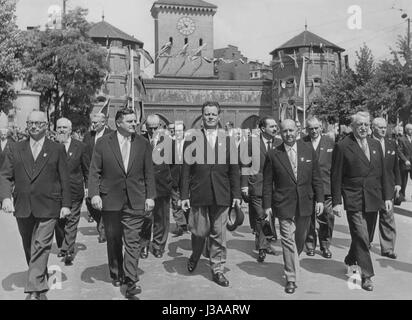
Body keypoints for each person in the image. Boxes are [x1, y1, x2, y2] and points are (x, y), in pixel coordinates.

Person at [0, 111, 71, 300]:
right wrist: (6, 198)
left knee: (41, 244)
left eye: (38, 123)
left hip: (49, 205)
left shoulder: (56, 149)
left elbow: (65, 178)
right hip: (23, 205)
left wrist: (66, 204)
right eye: (30, 123)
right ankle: (39, 277)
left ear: (46, 126)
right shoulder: (14, 148)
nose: (33, 126)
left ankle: (34, 290)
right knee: (29, 246)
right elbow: (5, 175)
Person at [88, 108, 156, 298]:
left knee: (133, 241)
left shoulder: (143, 144)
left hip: (136, 200)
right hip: (110, 200)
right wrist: (94, 194)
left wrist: (150, 196)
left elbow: (149, 172)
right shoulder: (103, 143)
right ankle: (117, 272)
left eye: (135, 121)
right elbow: (94, 171)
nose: (134, 124)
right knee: (114, 239)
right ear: (118, 123)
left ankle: (131, 281)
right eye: (130, 121)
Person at [181, 101, 241, 287]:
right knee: (199, 233)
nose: (210, 117)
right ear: (202, 116)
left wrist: (236, 195)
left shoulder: (229, 140)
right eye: (207, 114)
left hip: (222, 194)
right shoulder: (192, 140)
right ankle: (195, 255)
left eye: (213, 114)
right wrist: (184, 196)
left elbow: (234, 170)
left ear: (218, 116)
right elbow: (185, 171)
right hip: (199, 193)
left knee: (218, 234)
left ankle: (217, 269)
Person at [331, 111, 392, 292]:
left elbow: (384, 173)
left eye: (366, 124)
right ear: (353, 127)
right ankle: (366, 276)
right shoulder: (343, 146)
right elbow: (336, 176)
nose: (364, 128)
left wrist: (387, 196)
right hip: (353, 197)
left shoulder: (374, 144)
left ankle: (351, 258)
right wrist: (336, 202)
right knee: (361, 235)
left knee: (366, 237)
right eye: (360, 125)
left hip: (374, 197)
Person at [262, 119, 324, 294]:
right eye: (284, 131)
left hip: (305, 201)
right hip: (283, 203)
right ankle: (291, 277)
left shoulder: (308, 150)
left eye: (291, 130)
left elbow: (316, 177)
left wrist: (320, 200)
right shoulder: (273, 154)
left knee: (300, 239)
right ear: (279, 133)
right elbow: (267, 183)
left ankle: (293, 261)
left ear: (297, 130)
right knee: (287, 239)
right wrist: (267, 206)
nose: (288, 134)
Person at [241, 116, 282, 263]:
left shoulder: (280, 143)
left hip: (275, 187)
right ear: (262, 129)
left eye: (276, 126)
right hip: (257, 184)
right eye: (271, 126)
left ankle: (265, 243)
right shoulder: (252, 143)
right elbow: (245, 164)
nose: (275, 128)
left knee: (270, 216)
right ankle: (262, 248)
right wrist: (244, 185)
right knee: (261, 216)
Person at [54, 118, 90, 265]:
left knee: (72, 220)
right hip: (55, 191)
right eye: (59, 127)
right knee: (59, 221)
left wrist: (88, 187)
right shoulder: (50, 147)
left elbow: (86, 169)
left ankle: (68, 249)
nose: (61, 130)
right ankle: (63, 246)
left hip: (74, 190)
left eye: (64, 127)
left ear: (70, 130)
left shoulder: (80, 147)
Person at [140, 114, 173, 259]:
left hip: (162, 184)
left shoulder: (167, 141)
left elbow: (173, 164)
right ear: (145, 127)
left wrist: (170, 181)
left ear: (159, 126)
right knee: (145, 218)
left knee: (161, 217)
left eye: (155, 128)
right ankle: (144, 245)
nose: (152, 131)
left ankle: (158, 245)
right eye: (150, 128)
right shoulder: (139, 141)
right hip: (144, 186)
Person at [303, 117, 336, 259]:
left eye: (316, 128)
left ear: (321, 127)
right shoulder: (301, 143)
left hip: (326, 186)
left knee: (327, 218)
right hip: (307, 188)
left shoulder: (331, 143)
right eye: (311, 128)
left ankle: (325, 245)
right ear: (306, 129)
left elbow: (335, 167)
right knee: (309, 218)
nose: (314, 131)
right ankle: (310, 245)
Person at [369, 117, 400, 259]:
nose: (383, 129)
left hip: (388, 186)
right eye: (380, 127)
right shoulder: (366, 143)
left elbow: (395, 166)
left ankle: (388, 248)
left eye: (384, 127)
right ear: (373, 128)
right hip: (371, 187)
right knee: (369, 217)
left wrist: (398, 183)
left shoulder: (391, 143)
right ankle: (366, 242)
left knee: (388, 216)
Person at [83, 112, 112, 241]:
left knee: (105, 203)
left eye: (96, 123)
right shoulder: (88, 136)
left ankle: (103, 230)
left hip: (107, 176)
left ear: (104, 123)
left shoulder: (111, 135)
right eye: (92, 122)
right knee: (90, 202)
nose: (93, 125)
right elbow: (84, 157)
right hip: (91, 175)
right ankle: (101, 222)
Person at [170, 122, 189, 236]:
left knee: (186, 202)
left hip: (187, 179)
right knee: (176, 203)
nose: (177, 133)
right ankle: (180, 225)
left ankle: (186, 223)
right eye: (175, 131)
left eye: (179, 130)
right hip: (174, 178)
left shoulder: (190, 144)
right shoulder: (169, 144)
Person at [397, 123, 412, 198]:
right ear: (406, 130)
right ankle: (402, 195)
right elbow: (399, 151)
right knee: (404, 180)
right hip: (405, 163)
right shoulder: (401, 139)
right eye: (410, 129)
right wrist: (405, 160)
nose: (411, 131)